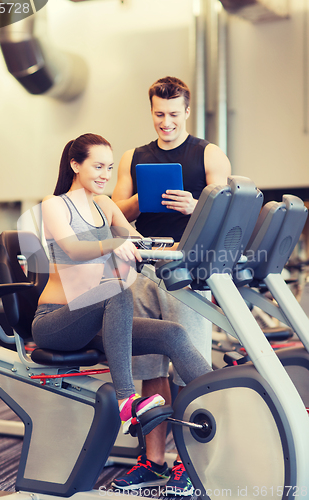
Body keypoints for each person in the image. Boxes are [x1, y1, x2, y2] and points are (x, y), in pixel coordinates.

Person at [31, 132, 212, 437]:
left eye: (110, 168)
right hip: (56, 322)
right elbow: (73, 247)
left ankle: (225, 399)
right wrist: (114, 242)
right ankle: (127, 401)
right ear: (75, 165)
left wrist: (194, 247)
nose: (105, 175)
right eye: (98, 166)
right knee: (116, 288)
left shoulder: (105, 205)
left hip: (100, 323)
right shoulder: (54, 205)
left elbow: (143, 245)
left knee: (174, 334)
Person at [111, 77, 231, 494]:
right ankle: (155, 461)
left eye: (174, 115)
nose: (166, 122)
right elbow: (115, 209)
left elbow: (229, 211)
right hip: (144, 264)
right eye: (159, 115)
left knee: (189, 365)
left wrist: (196, 205)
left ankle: (191, 464)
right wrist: (142, 199)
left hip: (188, 264)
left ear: (187, 111)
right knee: (149, 367)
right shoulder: (134, 156)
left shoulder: (209, 154)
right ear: (152, 111)